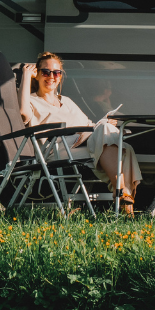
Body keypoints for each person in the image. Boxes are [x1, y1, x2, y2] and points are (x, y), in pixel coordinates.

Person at [18, 52, 143, 214]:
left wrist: (105, 122)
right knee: (117, 145)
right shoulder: (32, 100)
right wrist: (26, 76)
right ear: (37, 74)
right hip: (55, 149)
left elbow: (89, 125)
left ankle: (121, 193)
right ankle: (122, 196)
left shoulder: (67, 101)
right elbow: (23, 114)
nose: (51, 76)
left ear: (61, 76)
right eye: (45, 72)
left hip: (81, 144)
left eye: (56, 73)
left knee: (118, 142)